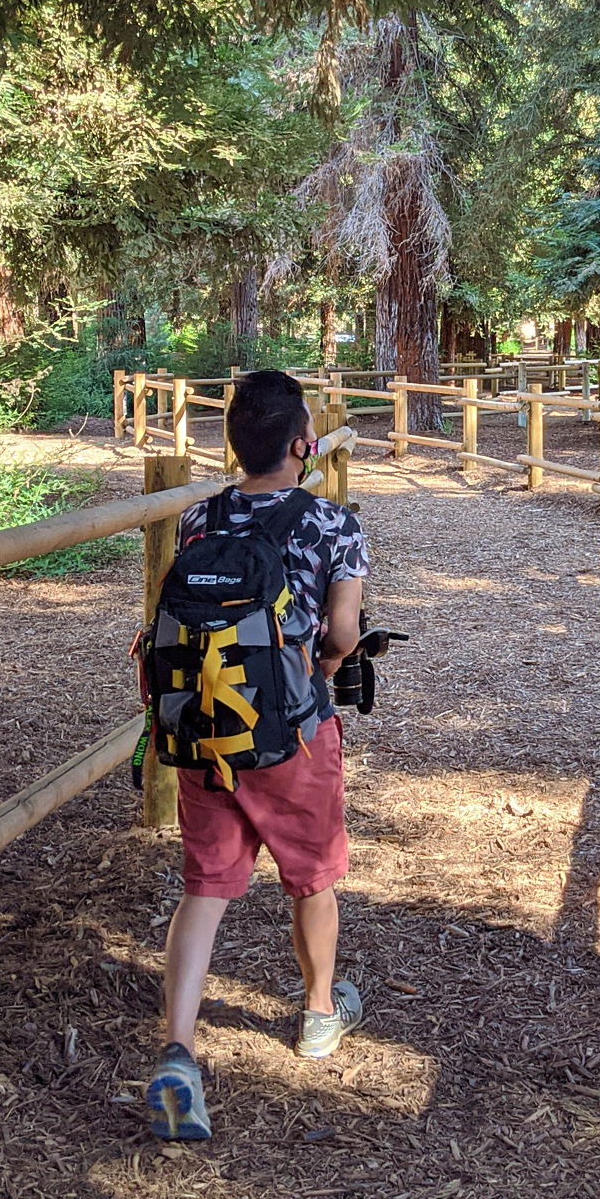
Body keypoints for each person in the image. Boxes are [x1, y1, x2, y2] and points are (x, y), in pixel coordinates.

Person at [146, 371, 370, 1141]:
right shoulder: (334, 525)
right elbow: (341, 635)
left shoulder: (200, 518)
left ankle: (177, 1048)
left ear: (235, 443)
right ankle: (317, 1013)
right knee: (312, 877)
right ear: (303, 446)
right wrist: (331, 669)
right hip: (292, 732)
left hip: (205, 728)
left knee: (205, 886)